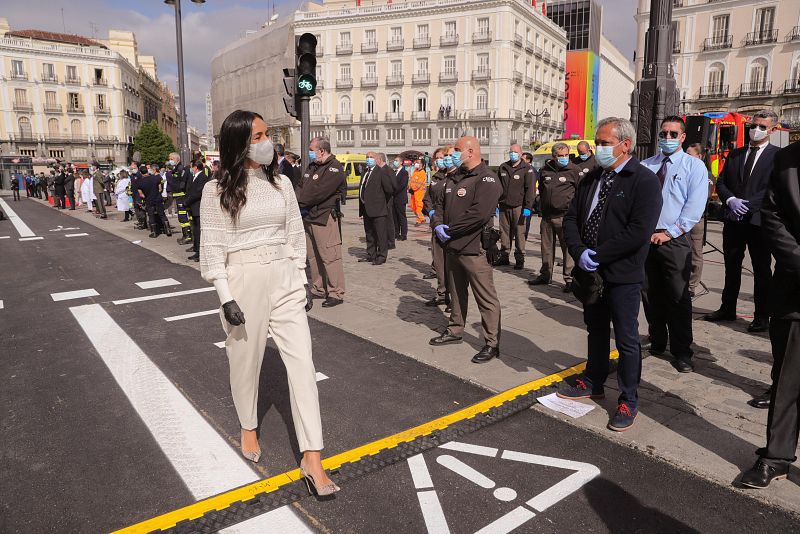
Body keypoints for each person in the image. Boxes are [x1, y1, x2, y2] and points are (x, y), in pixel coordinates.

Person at [199, 110, 339, 495]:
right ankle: (248, 424)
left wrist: (301, 278)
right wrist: (226, 297)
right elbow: (212, 249)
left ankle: (313, 456)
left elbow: (295, 234)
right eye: (257, 136)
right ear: (240, 143)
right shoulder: (216, 192)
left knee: (303, 365)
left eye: (266, 134)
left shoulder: (282, 185)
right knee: (245, 362)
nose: (266, 142)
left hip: (284, 278)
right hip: (244, 280)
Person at [559, 117, 662, 432]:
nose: (597, 148)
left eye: (604, 143)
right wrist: (579, 252)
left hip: (622, 274)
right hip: (590, 271)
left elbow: (637, 232)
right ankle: (594, 379)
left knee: (627, 339)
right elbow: (572, 218)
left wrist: (600, 254)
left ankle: (628, 400)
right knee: (596, 329)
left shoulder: (643, 181)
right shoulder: (592, 177)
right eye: (597, 142)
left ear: (625, 145)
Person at [739, 140, 800, 488]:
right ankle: (776, 458)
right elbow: (774, 218)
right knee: (787, 382)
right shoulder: (787, 159)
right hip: (795, 290)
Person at [640, 116, 709, 373]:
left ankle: (682, 351)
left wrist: (670, 233)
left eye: (672, 134)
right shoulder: (646, 166)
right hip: (646, 239)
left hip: (675, 240)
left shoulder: (694, 167)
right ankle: (657, 340)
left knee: (678, 296)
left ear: (682, 137)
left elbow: (694, 207)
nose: (666, 138)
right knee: (649, 293)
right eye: (663, 134)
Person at [704, 109, 780, 333]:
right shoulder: (736, 154)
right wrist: (731, 200)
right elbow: (722, 182)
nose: (756, 130)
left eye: (762, 127)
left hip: (759, 221)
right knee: (731, 266)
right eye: (754, 126)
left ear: (772, 130)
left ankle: (761, 316)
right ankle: (727, 308)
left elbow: (773, 188)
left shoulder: (777, 156)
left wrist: (747, 205)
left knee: (761, 270)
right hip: (733, 219)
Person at [429, 136, 503, 364]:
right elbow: (438, 204)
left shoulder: (487, 179)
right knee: (456, 293)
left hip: (474, 248)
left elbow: (478, 214)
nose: (452, 154)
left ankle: (492, 343)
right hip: (452, 247)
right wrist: (437, 224)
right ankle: (455, 329)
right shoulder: (454, 177)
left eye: (457, 150)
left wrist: (449, 230)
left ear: (470, 152)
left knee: (486, 298)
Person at [297, 137, 347, 308]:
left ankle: (336, 292)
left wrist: (299, 201)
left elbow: (317, 192)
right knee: (313, 256)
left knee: (330, 256)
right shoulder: (312, 166)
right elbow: (301, 186)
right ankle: (319, 288)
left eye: (312, 150)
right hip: (309, 216)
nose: (310, 153)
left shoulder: (334, 168)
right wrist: (299, 200)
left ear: (322, 150)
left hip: (324, 217)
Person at [530, 142, 582, 290]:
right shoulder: (545, 169)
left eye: (566, 155)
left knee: (568, 249)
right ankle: (546, 274)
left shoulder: (575, 170)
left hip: (565, 216)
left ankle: (569, 278)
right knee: (546, 247)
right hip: (547, 216)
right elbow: (541, 189)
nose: (564, 158)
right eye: (560, 156)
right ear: (553, 156)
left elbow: (581, 193)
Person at [422, 147, 454, 308]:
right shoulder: (436, 177)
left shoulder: (456, 177)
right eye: (439, 158)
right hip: (436, 224)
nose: (442, 160)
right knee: (439, 262)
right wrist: (431, 211)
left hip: (451, 226)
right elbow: (426, 198)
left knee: (452, 265)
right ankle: (442, 293)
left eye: (445, 157)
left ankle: (454, 299)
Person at [496, 144, 536, 270]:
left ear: (520, 153)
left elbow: (531, 189)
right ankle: (504, 256)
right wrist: (495, 202)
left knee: (519, 233)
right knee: (504, 233)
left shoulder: (527, 168)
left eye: (515, 152)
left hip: (519, 206)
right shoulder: (503, 167)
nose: (513, 154)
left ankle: (520, 258)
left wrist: (528, 207)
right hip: (503, 205)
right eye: (511, 151)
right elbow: (497, 186)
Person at [685, 143, 715, 298]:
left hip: (696, 219)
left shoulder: (707, 174)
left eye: (690, 154)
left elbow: (705, 196)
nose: (686, 157)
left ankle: (692, 285)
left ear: (700, 156)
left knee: (695, 253)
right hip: (679, 217)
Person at [358, 152, 394, 265]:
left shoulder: (381, 171)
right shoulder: (365, 172)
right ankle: (371, 254)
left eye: (371, 157)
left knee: (380, 234)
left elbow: (389, 189)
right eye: (367, 157)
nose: (368, 159)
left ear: (377, 159)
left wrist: (381, 201)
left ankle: (381, 256)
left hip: (378, 209)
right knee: (369, 233)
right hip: (366, 208)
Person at [185, 160, 212, 262]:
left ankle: (201, 253)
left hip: (198, 206)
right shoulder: (194, 177)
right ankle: (197, 250)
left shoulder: (202, 177)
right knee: (195, 230)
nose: (191, 169)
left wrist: (187, 201)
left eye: (192, 167)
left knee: (200, 231)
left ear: (196, 167)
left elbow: (198, 192)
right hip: (193, 207)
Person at [137, 165, 172, 238]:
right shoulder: (155, 178)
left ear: (140, 173)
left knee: (151, 215)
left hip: (149, 200)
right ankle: (168, 230)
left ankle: (154, 232)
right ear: (147, 170)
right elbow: (160, 189)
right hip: (158, 198)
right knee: (162, 214)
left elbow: (141, 194)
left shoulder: (140, 182)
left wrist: (147, 195)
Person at [167, 152, 193, 245]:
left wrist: (169, 174)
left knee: (183, 217)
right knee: (182, 217)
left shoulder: (180, 169)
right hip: (179, 196)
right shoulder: (176, 169)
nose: (169, 161)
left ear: (176, 159)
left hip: (182, 196)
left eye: (171, 159)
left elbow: (178, 185)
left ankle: (188, 236)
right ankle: (186, 235)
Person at [391, 157, 409, 241]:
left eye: (396, 161)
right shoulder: (394, 172)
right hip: (393, 199)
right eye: (394, 160)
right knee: (394, 217)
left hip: (400, 198)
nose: (395, 162)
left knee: (401, 217)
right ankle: (396, 233)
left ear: (401, 162)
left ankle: (404, 234)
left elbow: (401, 185)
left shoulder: (404, 173)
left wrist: (392, 191)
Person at [409, 159, 427, 226]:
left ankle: (420, 219)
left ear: (422, 165)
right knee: (413, 207)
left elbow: (418, 184)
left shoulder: (422, 173)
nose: (416, 164)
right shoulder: (415, 171)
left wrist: (412, 188)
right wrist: (410, 187)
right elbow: (411, 180)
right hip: (413, 192)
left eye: (418, 163)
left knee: (418, 207)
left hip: (419, 192)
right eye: (416, 162)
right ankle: (420, 219)